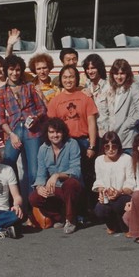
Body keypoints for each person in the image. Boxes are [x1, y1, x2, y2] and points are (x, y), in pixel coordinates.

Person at [47, 65, 98, 215]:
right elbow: (52, 127)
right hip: (64, 144)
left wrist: (92, 146)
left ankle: (85, 212)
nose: (68, 80)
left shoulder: (85, 97)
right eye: (65, 77)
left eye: (71, 77)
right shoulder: (56, 101)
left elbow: (91, 122)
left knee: (84, 179)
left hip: (82, 141)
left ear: (76, 78)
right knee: (68, 180)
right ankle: (69, 212)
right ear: (60, 80)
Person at [0, 54, 47, 202]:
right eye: (11, 70)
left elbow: (42, 109)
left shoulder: (29, 87)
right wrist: (11, 134)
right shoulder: (1, 91)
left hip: (33, 132)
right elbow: (0, 118)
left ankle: (33, 208)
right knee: (7, 164)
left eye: (18, 70)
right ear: (6, 70)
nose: (14, 73)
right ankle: (12, 202)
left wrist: (36, 118)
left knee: (34, 170)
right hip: (14, 131)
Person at [29, 118, 83, 234]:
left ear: (63, 132)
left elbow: (76, 171)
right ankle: (61, 217)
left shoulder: (72, 144)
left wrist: (57, 175)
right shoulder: (43, 149)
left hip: (71, 188)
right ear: (47, 133)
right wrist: (39, 188)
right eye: (51, 132)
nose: (55, 135)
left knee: (71, 183)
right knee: (34, 198)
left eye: (58, 132)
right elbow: (41, 174)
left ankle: (70, 219)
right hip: (55, 189)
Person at [92, 132, 135, 234]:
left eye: (114, 146)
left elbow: (131, 181)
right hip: (108, 195)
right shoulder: (99, 160)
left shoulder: (127, 158)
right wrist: (101, 192)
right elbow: (99, 180)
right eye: (107, 146)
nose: (110, 149)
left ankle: (126, 226)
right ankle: (112, 225)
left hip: (123, 194)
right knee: (99, 209)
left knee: (117, 203)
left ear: (118, 146)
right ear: (103, 147)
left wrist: (119, 192)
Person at [102, 58, 139, 154]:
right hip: (112, 139)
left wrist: (126, 126)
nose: (119, 77)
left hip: (127, 139)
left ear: (127, 74)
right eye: (116, 74)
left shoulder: (134, 87)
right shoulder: (110, 88)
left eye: (122, 73)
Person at [82, 53, 109, 137]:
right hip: (90, 133)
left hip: (105, 133)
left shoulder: (108, 86)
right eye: (87, 68)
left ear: (99, 68)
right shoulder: (86, 86)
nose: (90, 71)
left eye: (93, 68)